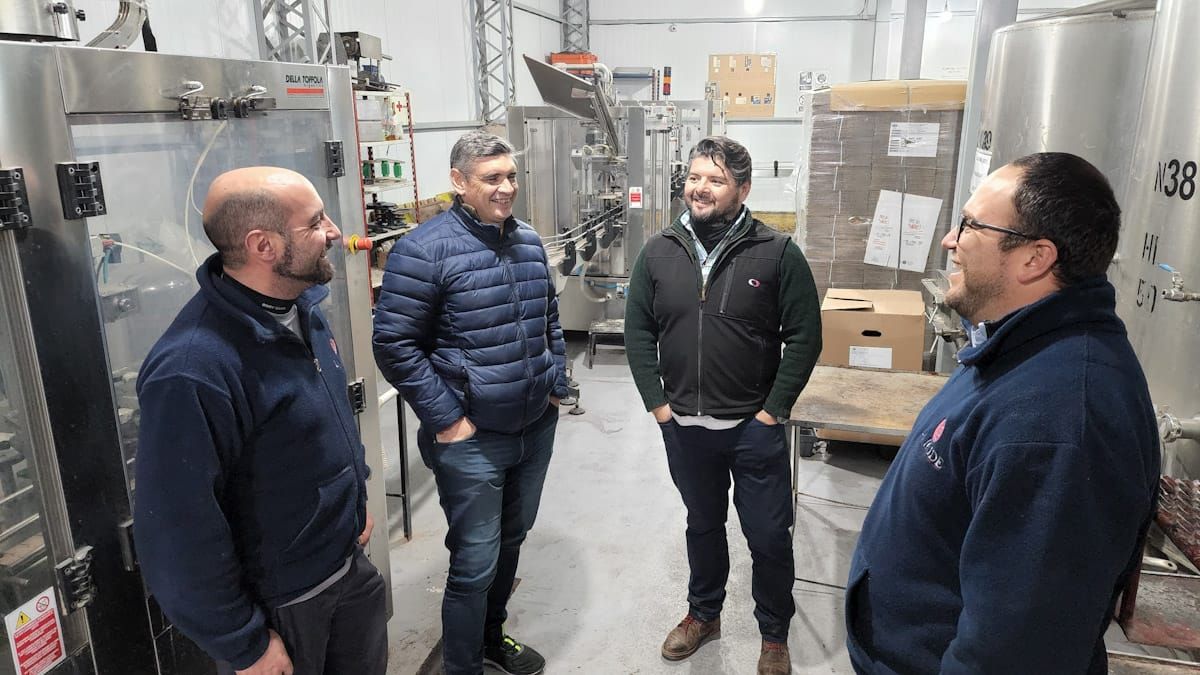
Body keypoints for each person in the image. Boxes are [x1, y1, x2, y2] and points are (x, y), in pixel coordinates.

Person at [846, 152, 1160, 674]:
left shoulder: (1061, 422)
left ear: (1035, 259)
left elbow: (1017, 650)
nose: (949, 240)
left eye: (971, 225)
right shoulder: (1019, 345)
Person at [134, 167, 386, 675]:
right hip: (285, 604)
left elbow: (325, 420)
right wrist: (242, 643)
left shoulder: (301, 309)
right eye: (315, 223)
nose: (335, 233)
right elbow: (177, 531)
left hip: (346, 566)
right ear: (263, 246)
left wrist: (354, 497)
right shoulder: (193, 368)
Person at [624, 135, 823, 675]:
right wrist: (658, 406)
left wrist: (772, 412)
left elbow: (805, 336)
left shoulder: (777, 252)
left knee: (767, 536)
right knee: (703, 525)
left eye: (714, 179)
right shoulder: (660, 250)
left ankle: (774, 634)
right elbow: (638, 329)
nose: (700, 188)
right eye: (694, 177)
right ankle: (703, 613)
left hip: (752, 427)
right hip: (685, 427)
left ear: (742, 188)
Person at [373, 130, 568, 675]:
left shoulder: (527, 240)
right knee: (475, 561)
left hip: (534, 427)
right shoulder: (423, 249)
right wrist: (447, 420)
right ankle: (462, 666)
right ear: (459, 183)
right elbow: (393, 343)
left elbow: (548, 317)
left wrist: (557, 381)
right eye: (492, 179)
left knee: (512, 541)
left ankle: (490, 636)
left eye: (511, 176)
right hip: (472, 438)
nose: (506, 188)